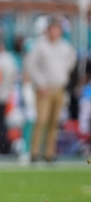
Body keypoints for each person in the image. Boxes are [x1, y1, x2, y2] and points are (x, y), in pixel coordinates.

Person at [25, 18, 77, 162]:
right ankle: (34, 152)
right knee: (42, 120)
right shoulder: (40, 46)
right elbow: (31, 65)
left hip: (59, 87)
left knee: (55, 121)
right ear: (48, 30)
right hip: (44, 88)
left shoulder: (65, 46)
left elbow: (71, 60)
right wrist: (40, 82)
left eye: (57, 29)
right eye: (53, 29)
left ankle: (49, 153)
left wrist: (64, 73)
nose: (55, 32)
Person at [0, 37, 19, 157]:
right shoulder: (10, 58)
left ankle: (2, 146)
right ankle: (5, 145)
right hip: (7, 93)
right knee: (2, 122)